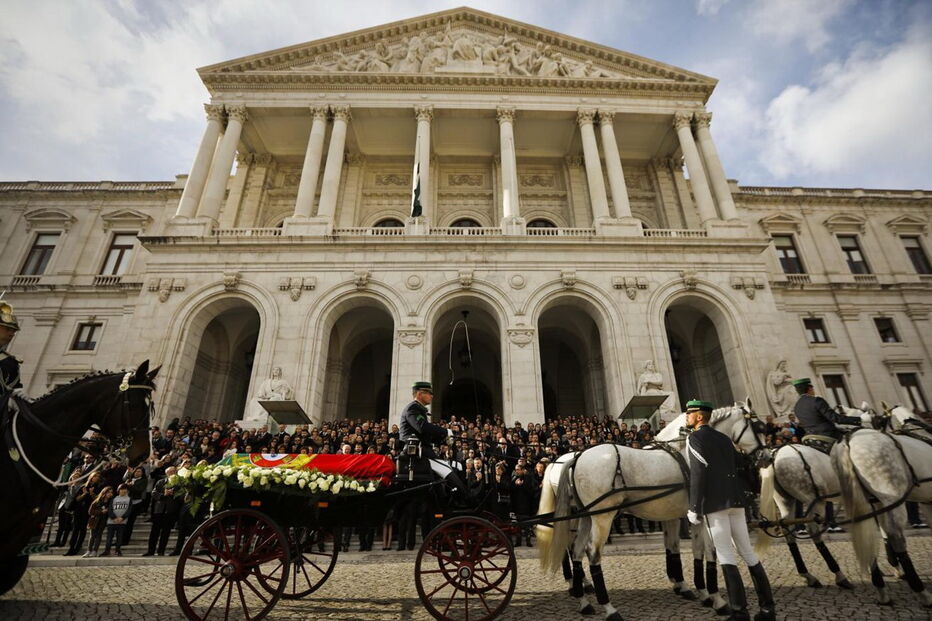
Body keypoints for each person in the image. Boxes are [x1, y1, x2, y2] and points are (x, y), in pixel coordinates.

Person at [685, 399, 775, 621]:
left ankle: (739, 611)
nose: (686, 417)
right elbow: (741, 465)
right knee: (748, 553)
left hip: (715, 504)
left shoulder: (694, 438)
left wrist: (694, 507)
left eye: (689, 413)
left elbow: (698, 474)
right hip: (736, 502)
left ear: (699, 417)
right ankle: (767, 609)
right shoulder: (725, 438)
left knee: (725, 554)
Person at [791, 378, 861, 444]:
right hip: (828, 434)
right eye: (812, 389)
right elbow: (835, 418)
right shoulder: (816, 400)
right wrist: (859, 419)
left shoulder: (797, 406)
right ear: (810, 389)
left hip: (810, 436)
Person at [0, 301, 22, 414]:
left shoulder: (10, 362)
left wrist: (18, 395)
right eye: (8, 329)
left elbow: (15, 387)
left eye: (13, 331)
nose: (11, 334)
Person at [101, 484, 131, 556]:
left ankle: (117, 550)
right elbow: (110, 509)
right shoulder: (114, 498)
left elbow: (129, 510)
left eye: (125, 489)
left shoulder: (129, 499)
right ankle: (107, 550)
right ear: (118, 490)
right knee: (109, 537)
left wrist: (122, 518)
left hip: (122, 522)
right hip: (111, 522)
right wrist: (113, 517)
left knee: (119, 537)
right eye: (122, 489)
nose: (123, 490)